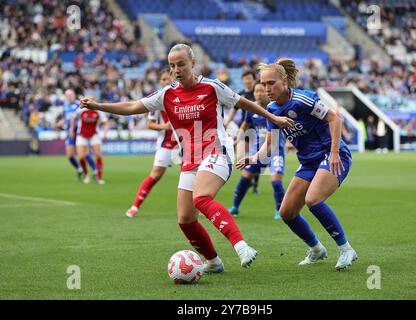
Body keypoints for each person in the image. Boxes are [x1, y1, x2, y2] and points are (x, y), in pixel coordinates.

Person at [80, 44, 294, 272]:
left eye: (181, 64)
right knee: (185, 219)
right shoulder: (167, 94)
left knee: (201, 198)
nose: (176, 69)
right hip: (190, 159)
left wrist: (273, 117)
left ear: (193, 64)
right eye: (172, 65)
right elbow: (133, 106)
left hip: (217, 152)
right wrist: (99, 106)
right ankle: (213, 261)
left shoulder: (212, 87)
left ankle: (241, 246)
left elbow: (243, 102)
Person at [237, 58, 357, 271]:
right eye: (263, 84)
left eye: (271, 83)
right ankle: (317, 249)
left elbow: (335, 120)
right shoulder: (272, 109)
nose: (266, 88)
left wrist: (335, 152)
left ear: (284, 81)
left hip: (331, 155)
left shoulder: (304, 99)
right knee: (287, 212)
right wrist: (254, 158)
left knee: (313, 199)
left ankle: (346, 248)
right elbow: (271, 143)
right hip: (309, 162)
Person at [126, 68, 180, 218]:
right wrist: (164, 126)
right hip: (166, 144)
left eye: (169, 78)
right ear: (159, 82)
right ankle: (135, 206)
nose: (166, 81)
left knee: (193, 176)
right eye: (163, 79)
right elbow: (150, 124)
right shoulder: (157, 100)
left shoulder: (183, 95)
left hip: (184, 144)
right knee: (155, 176)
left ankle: (198, 208)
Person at [229, 81, 285, 220]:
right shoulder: (252, 109)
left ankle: (280, 210)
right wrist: (238, 138)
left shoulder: (277, 107)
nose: (259, 94)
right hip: (257, 151)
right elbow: (244, 125)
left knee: (276, 182)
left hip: (275, 150)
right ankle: (235, 207)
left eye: (261, 91)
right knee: (244, 179)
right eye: (256, 91)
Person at [224, 70, 260, 194]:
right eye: (245, 79)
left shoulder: (258, 92)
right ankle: (248, 180)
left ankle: (254, 184)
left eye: (249, 78)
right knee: (240, 157)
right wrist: (227, 122)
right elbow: (234, 111)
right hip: (244, 128)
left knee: (255, 157)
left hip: (256, 130)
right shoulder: (241, 94)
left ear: (254, 79)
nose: (247, 81)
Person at [57, 89, 97, 180]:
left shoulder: (79, 105)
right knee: (70, 155)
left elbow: (82, 117)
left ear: (74, 95)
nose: (69, 96)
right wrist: (58, 124)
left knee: (84, 153)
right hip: (70, 132)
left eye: (71, 94)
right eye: (67, 95)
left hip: (79, 132)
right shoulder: (65, 106)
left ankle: (95, 170)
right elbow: (65, 118)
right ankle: (80, 169)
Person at [69, 98, 109, 184]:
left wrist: (105, 133)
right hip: (82, 135)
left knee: (98, 155)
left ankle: (99, 177)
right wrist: (71, 130)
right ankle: (86, 174)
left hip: (94, 135)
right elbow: (73, 118)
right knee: (80, 157)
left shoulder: (99, 110)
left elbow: (106, 122)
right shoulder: (81, 109)